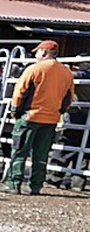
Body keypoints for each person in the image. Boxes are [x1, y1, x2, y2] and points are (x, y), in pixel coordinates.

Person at [1, 40, 74, 195]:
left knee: (19, 151)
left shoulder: (33, 69)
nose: (36, 54)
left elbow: (20, 91)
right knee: (41, 155)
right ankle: (36, 186)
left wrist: (15, 110)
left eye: (38, 52)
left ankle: (14, 184)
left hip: (30, 116)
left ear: (44, 52)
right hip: (51, 119)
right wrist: (59, 111)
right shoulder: (66, 72)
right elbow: (69, 97)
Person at [46, 54, 90, 191]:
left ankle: (56, 178)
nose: (75, 65)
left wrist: (63, 69)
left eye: (79, 63)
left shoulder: (81, 75)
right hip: (78, 114)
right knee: (77, 149)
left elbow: (76, 75)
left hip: (78, 114)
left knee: (69, 146)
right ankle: (76, 181)